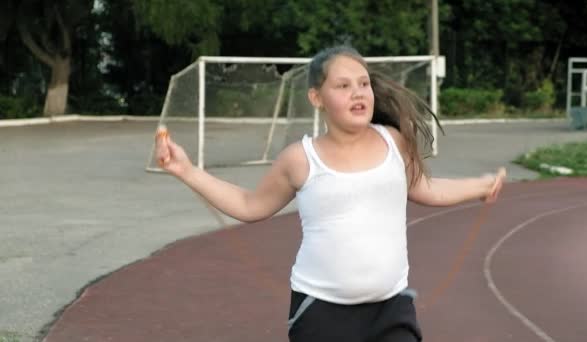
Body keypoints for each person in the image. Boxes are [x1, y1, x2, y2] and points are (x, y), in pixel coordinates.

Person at [154, 45, 506, 342]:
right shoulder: (299, 158)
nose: (358, 93)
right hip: (320, 312)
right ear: (316, 97)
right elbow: (250, 205)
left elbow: (424, 187)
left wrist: (481, 185)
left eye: (363, 83)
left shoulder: (395, 142)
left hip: (391, 308)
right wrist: (186, 170)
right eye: (343, 85)